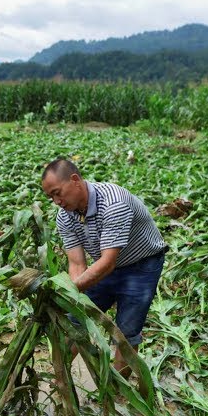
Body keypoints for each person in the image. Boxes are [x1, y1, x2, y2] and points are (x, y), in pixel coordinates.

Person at [40, 158, 167, 375]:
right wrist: (71, 298)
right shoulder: (65, 216)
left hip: (142, 266)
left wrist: (65, 292)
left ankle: (119, 391)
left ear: (75, 180)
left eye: (57, 192)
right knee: (74, 320)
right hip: (106, 265)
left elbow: (108, 262)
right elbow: (77, 263)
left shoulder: (113, 202)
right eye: (50, 196)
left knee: (126, 332)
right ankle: (61, 379)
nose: (56, 201)